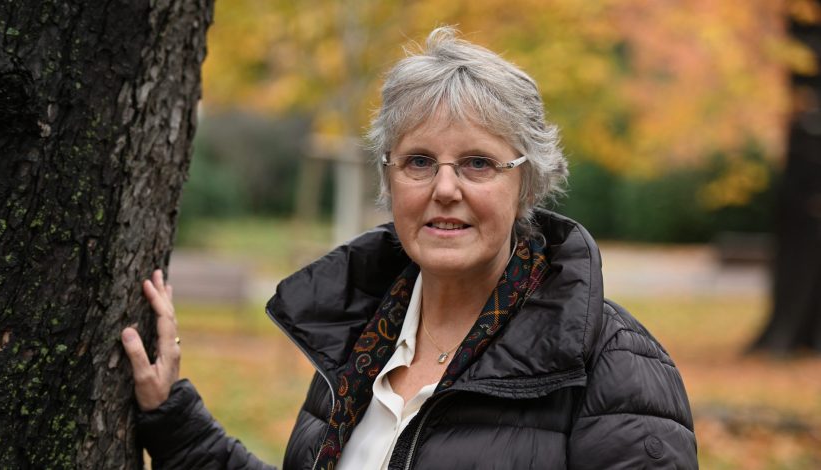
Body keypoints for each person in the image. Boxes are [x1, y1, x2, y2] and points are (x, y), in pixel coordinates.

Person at [122, 27, 698, 469]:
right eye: (419, 161)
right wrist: (174, 418)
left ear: (527, 181)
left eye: (478, 162)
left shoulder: (615, 366)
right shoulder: (360, 340)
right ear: (389, 178)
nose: (445, 189)